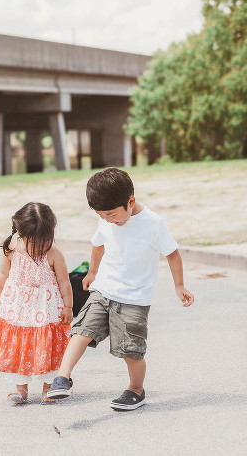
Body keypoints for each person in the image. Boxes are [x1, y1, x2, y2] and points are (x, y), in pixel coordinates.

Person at [46, 167, 194, 410]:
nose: (107, 220)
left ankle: (136, 389)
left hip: (134, 298)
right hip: (103, 289)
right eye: (102, 215)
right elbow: (97, 245)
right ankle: (63, 377)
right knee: (81, 330)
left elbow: (173, 254)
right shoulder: (105, 220)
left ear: (130, 201)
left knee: (130, 350)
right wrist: (92, 272)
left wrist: (179, 285)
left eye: (112, 215)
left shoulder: (153, 224)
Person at [0, 202, 74, 404]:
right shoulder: (12, 249)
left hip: (45, 308)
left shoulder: (54, 254)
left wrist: (68, 307)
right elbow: (2, 274)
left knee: (45, 345)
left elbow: (64, 282)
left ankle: (48, 386)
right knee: (18, 347)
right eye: (35, 241)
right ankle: (20, 388)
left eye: (45, 240)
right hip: (17, 308)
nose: (41, 246)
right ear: (21, 234)